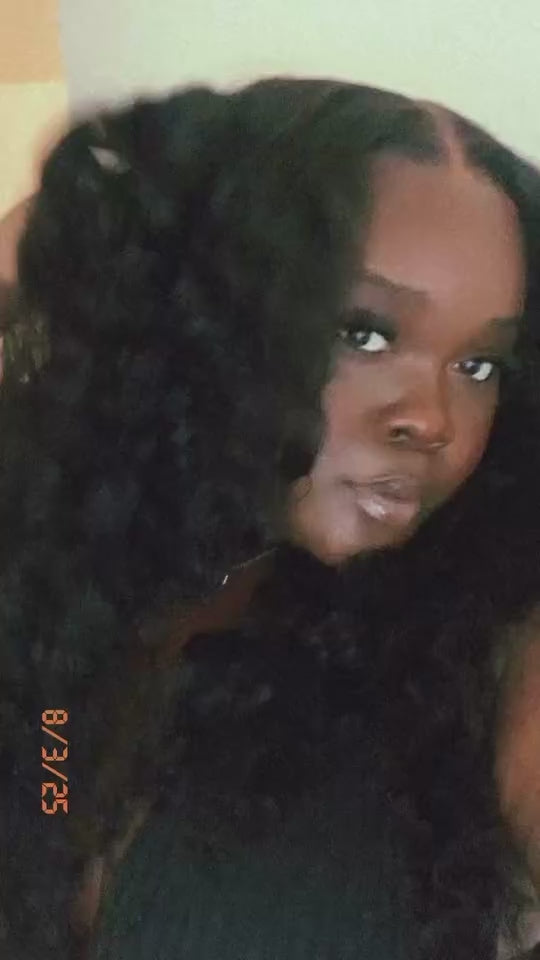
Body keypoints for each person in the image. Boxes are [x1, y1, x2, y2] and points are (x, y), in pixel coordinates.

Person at [2, 77, 540, 960]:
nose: (431, 419)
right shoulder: (59, 550)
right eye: (365, 332)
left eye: (480, 365)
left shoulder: (481, 633)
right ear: (217, 310)